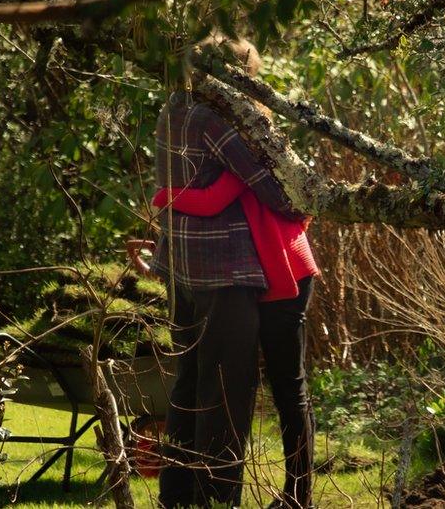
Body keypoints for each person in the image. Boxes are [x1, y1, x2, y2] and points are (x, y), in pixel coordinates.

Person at [136, 35, 319, 509]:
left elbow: (203, 192)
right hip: (227, 270)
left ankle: (178, 496)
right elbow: (281, 191)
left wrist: (166, 199)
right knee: (224, 390)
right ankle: (215, 499)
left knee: (191, 381)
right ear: (237, 77)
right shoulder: (223, 119)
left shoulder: (173, 107)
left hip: (186, 265)